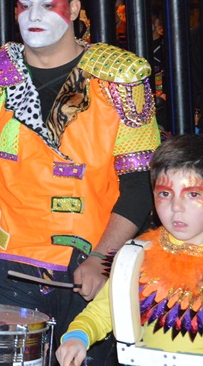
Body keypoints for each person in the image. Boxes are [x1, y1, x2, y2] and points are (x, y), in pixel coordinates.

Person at [0, 0, 160, 360]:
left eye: (48, 3)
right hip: (10, 268)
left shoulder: (120, 80)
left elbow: (139, 184)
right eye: (24, 5)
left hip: (92, 271)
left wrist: (101, 260)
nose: (33, 15)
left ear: (75, 9)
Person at [56, 134, 203, 365]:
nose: (176, 207)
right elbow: (104, 311)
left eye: (193, 194)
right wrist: (77, 337)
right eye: (165, 193)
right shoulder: (138, 257)